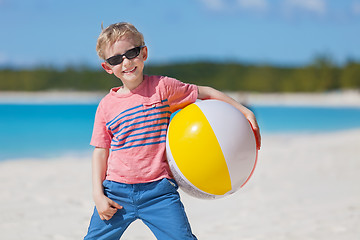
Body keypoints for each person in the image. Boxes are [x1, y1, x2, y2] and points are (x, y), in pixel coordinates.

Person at [84, 22, 261, 240]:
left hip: (159, 191)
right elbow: (101, 151)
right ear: (107, 67)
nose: (126, 62)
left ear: (144, 52)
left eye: (131, 53)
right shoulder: (106, 106)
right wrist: (98, 194)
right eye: (116, 59)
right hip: (116, 192)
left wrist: (243, 111)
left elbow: (203, 92)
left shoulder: (163, 88)